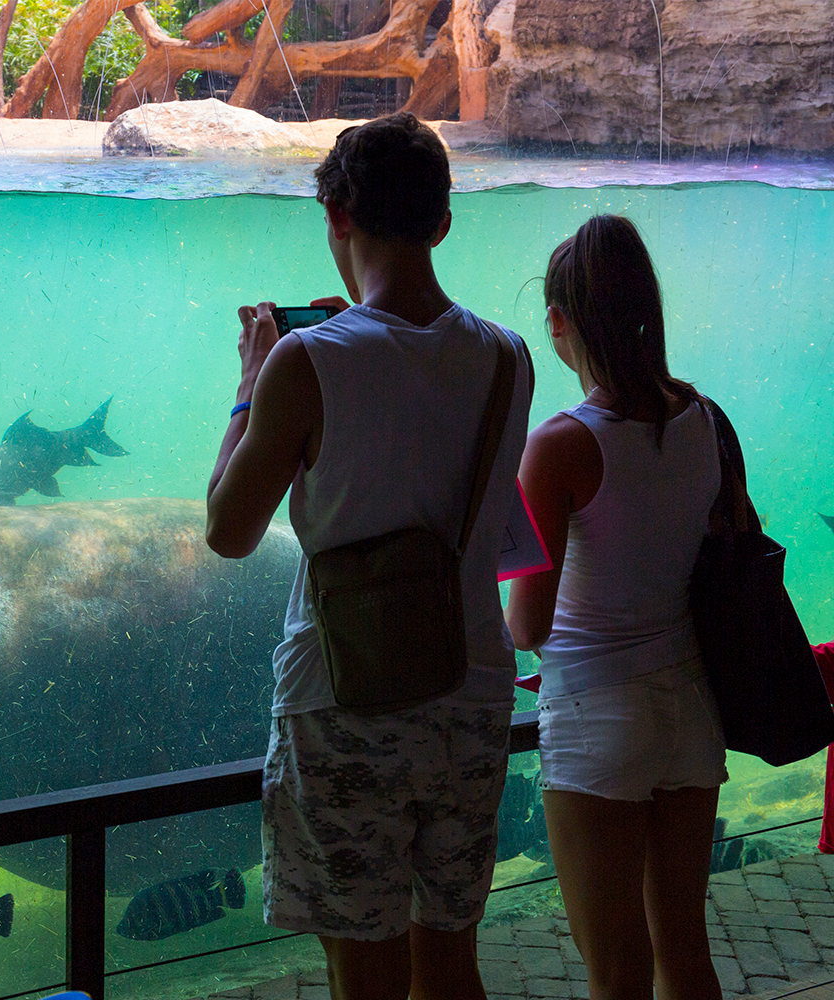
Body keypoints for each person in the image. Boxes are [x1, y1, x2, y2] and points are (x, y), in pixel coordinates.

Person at [206, 112, 534, 1000]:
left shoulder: (306, 361)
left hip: (345, 697)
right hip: (470, 692)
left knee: (366, 974)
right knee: (451, 959)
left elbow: (228, 530)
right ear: (442, 222)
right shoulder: (509, 359)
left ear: (336, 215)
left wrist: (248, 385)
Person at [504, 214, 726, 1000]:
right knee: (685, 955)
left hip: (600, 720)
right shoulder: (706, 418)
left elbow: (528, 625)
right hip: (693, 711)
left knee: (616, 973)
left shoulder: (560, 443)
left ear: (560, 323)